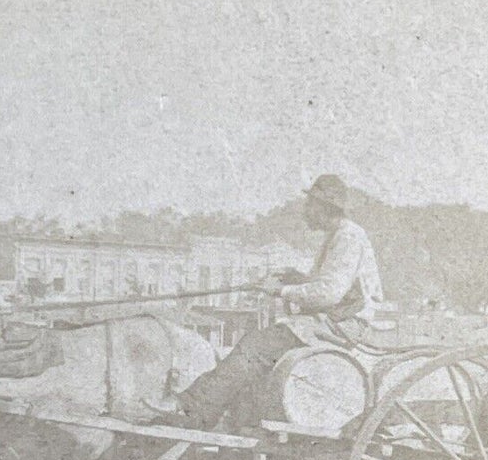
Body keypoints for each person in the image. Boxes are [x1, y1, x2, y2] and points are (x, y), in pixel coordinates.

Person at [145, 174, 384, 427]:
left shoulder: (348, 237)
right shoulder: (337, 236)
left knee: (255, 347)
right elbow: (331, 287)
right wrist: (297, 278)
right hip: (335, 320)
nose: (305, 212)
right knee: (259, 346)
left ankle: (193, 409)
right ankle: (217, 415)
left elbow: (328, 293)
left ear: (324, 207)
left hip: (344, 324)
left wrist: (280, 291)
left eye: (309, 205)